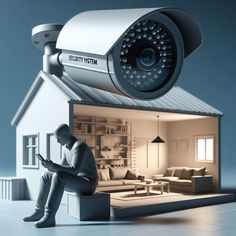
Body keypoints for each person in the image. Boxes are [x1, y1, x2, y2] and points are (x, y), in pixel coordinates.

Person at [23, 123, 99, 228]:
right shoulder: (66, 147)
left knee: (59, 176)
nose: (58, 141)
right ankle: (39, 211)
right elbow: (62, 167)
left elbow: (74, 170)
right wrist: (49, 166)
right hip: (77, 181)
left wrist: (54, 166)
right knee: (46, 175)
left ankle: (50, 216)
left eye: (59, 138)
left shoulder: (79, 146)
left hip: (88, 183)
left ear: (67, 134)